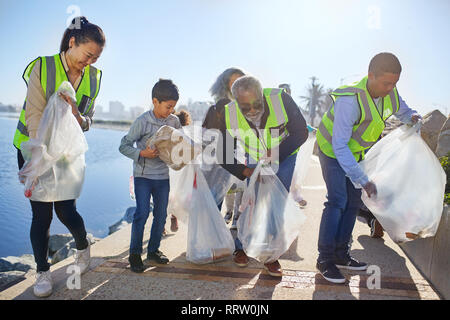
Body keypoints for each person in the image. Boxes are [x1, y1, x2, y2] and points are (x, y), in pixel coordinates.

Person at [12, 16, 105, 298]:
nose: (89, 62)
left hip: (66, 155)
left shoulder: (93, 77)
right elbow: (34, 113)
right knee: (41, 214)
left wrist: (78, 115)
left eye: (96, 58)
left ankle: (82, 245)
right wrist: (38, 157)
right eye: (87, 55)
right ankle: (42, 271)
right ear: (73, 43)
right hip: (34, 148)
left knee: (66, 211)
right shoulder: (44, 66)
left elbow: (88, 119)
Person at [315, 52, 421, 283]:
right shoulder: (349, 99)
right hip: (332, 151)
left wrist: (412, 116)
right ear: (370, 75)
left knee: (353, 203)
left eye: (395, 83)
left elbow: (403, 112)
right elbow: (340, 145)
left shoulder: (390, 92)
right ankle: (325, 259)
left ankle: (342, 254)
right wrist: (362, 178)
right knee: (337, 201)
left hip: (355, 153)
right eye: (386, 83)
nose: (390, 88)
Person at [217, 75, 308, 277]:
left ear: (262, 95)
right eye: (244, 107)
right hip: (254, 159)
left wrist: (276, 154)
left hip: (283, 156)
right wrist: (246, 171)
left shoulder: (280, 99)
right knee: (251, 202)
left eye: (256, 104)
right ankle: (241, 247)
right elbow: (222, 154)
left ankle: (271, 255)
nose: (251, 111)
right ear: (236, 103)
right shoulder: (230, 113)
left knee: (276, 205)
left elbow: (301, 132)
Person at [119, 79, 181, 273]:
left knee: (161, 214)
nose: (171, 111)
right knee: (142, 213)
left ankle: (153, 251)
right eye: (168, 106)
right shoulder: (142, 121)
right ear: (155, 101)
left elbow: (179, 144)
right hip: (143, 176)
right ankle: (135, 254)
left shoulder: (174, 121)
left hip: (163, 176)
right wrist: (141, 154)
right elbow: (123, 145)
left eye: (173, 107)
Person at [202, 68, 246, 220]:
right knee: (212, 199)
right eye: (233, 81)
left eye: (240, 81)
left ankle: (229, 222)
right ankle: (211, 233)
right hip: (213, 159)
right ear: (225, 84)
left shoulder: (244, 106)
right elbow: (205, 133)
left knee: (224, 195)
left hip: (231, 157)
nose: (237, 85)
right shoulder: (215, 108)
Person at [165, 109, 192, 234]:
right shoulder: (186, 134)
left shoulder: (170, 132)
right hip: (181, 170)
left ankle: (161, 225)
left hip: (169, 169)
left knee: (166, 197)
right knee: (176, 195)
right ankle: (174, 217)